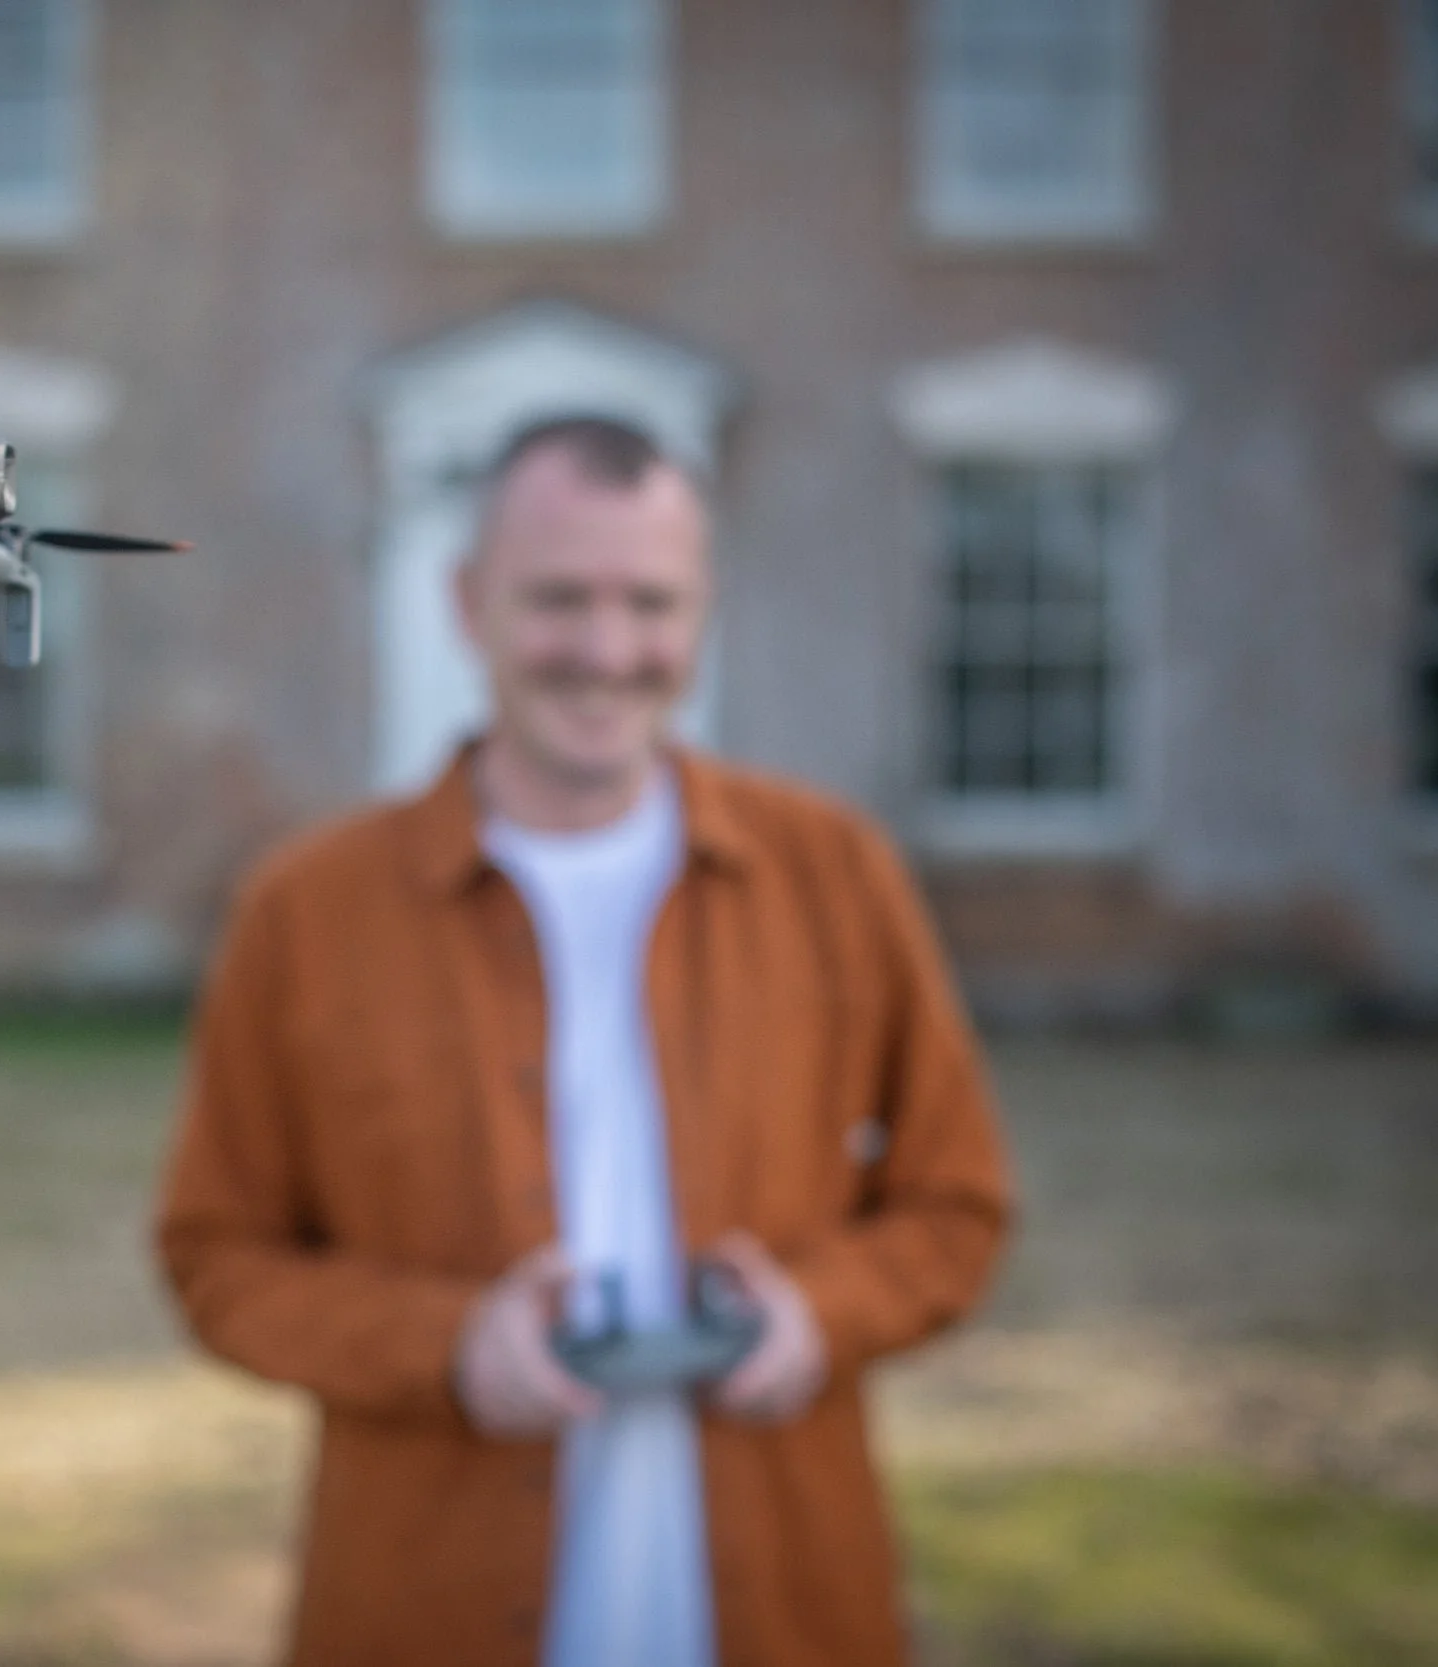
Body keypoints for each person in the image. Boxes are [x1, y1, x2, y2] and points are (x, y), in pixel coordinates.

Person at [153, 416, 1013, 1667]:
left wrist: (819, 1314)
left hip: (789, 1602)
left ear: (702, 610)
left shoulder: (836, 874)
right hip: (418, 1609)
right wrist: (447, 1344)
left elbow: (958, 1204)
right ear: (467, 605)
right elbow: (217, 1255)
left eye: (649, 603)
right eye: (558, 599)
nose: (607, 651)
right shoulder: (307, 911)